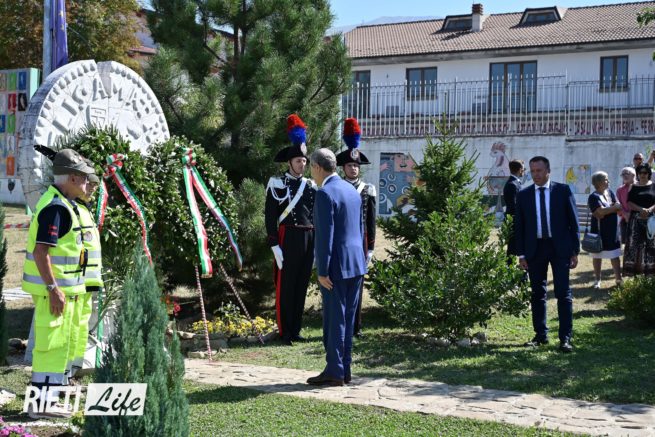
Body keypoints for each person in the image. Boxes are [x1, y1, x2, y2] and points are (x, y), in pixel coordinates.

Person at [22, 149, 95, 418]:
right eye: (84, 178)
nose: (88, 183)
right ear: (72, 178)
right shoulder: (56, 208)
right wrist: (53, 289)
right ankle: (40, 405)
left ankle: (49, 399)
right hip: (55, 294)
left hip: (65, 293)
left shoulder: (66, 204)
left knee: (60, 346)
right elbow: (41, 252)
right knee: (50, 348)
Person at [307, 148, 366, 387]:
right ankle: (345, 369)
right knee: (348, 320)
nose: (311, 172)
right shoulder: (351, 190)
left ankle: (334, 371)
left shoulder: (325, 193)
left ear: (317, 167)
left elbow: (325, 237)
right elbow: (359, 229)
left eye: (311, 167)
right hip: (356, 264)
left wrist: (322, 271)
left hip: (336, 267)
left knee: (334, 321)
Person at [514, 156, 579, 353]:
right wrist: (521, 254)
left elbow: (573, 222)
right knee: (537, 293)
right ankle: (540, 335)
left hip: (560, 249)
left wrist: (574, 251)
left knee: (563, 293)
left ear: (548, 170)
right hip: (535, 249)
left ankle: (565, 338)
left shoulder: (563, 190)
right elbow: (519, 227)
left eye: (539, 171)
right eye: (533, 171)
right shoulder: (523, 195)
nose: (536, 175)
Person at [265, 114, 316, 346]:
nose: (301, 164)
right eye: (298, 161)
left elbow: (315, 216)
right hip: (287, 238)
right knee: (286, 287)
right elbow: (270, 216)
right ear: (289, 162)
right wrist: (274, 244)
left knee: (301, 284)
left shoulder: (311, 185)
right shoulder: (277, 183)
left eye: (304, 161)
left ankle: (296, 329)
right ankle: (285, 331)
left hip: (308, 237)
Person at [335, 117, 376, 338]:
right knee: (341, 283)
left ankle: (355, 326)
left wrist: (371, 248)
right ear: (343, 168)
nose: (354, 169)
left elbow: (371, 220)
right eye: (350, 165)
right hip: (342, 241)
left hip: (360, 241)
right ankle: (341, 324)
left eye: (356, 166)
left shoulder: (368, 189)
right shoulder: (338, 188)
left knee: (358, 284)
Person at [69, 163, 103, 377]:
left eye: (95, 185)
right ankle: (65, 373)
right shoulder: (71, 208)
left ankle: (73, 369)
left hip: (87, 283)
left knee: (80, 329)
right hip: (74, 283)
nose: (92, 189)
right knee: (71, 330)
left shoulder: (84, 209)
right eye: (89, 183)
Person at [587, 171, 623, 288]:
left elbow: (618, 206)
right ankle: (597, 280)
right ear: (599, 182)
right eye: (606, 179)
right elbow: (600, 212)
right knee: (597, 256)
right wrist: (612, 208)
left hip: (612, 230)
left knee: (615, 255)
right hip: (599, 231)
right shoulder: (593, 197)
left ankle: (618, 279)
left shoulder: (610, 192)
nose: (609, 181)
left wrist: (609, 209)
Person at [623, 163, 655, 276]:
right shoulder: (633, 186)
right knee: (633, 246)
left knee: (651, 246)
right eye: (640, 172)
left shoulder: (654, 186)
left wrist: (649, 210)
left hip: (651, 221)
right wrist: (641, 209)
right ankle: (631, 274)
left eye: (645, 172)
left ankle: (650, 274)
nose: (642, 175)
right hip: (635, 222)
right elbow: (629, 203)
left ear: (649, 174)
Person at [503, 159, 524, 259]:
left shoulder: (516, 183)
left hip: (516, 220)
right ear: (520, 169)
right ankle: (508, 267)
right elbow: (513, 206)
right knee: (512, 248)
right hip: (514, 222)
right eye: (523, 168)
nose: (523, 171)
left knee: (516, 247)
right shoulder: (512, 184)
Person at [616, 167, 636, 245]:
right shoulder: (620, 190)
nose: (624, 175)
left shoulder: (640, 187)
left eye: (626, 173)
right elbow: (617, 205)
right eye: (622, 174)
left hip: (639, 219)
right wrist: (625, 214)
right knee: (626, 244)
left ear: (633, 175)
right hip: (625, 220)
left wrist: (631, 215)